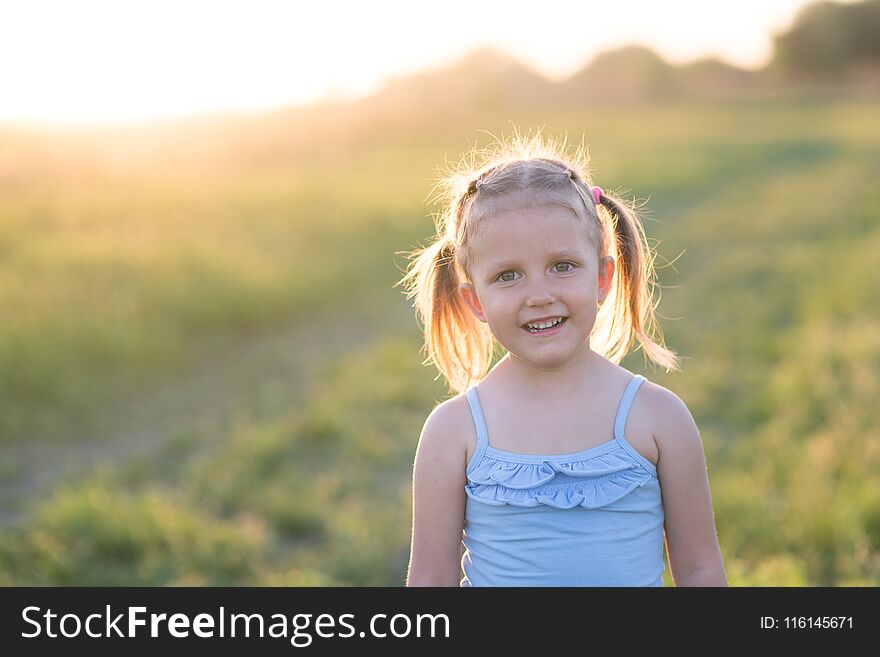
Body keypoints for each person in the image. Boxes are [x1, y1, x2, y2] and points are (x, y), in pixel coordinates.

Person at [397, 128, 727, 587]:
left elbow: (700, 569)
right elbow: (430, 581)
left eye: (562, 266)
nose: (539, 295)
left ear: (603, 277)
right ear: (476, 302)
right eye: (508, 275)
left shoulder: (658, 418)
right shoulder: (455, 432)